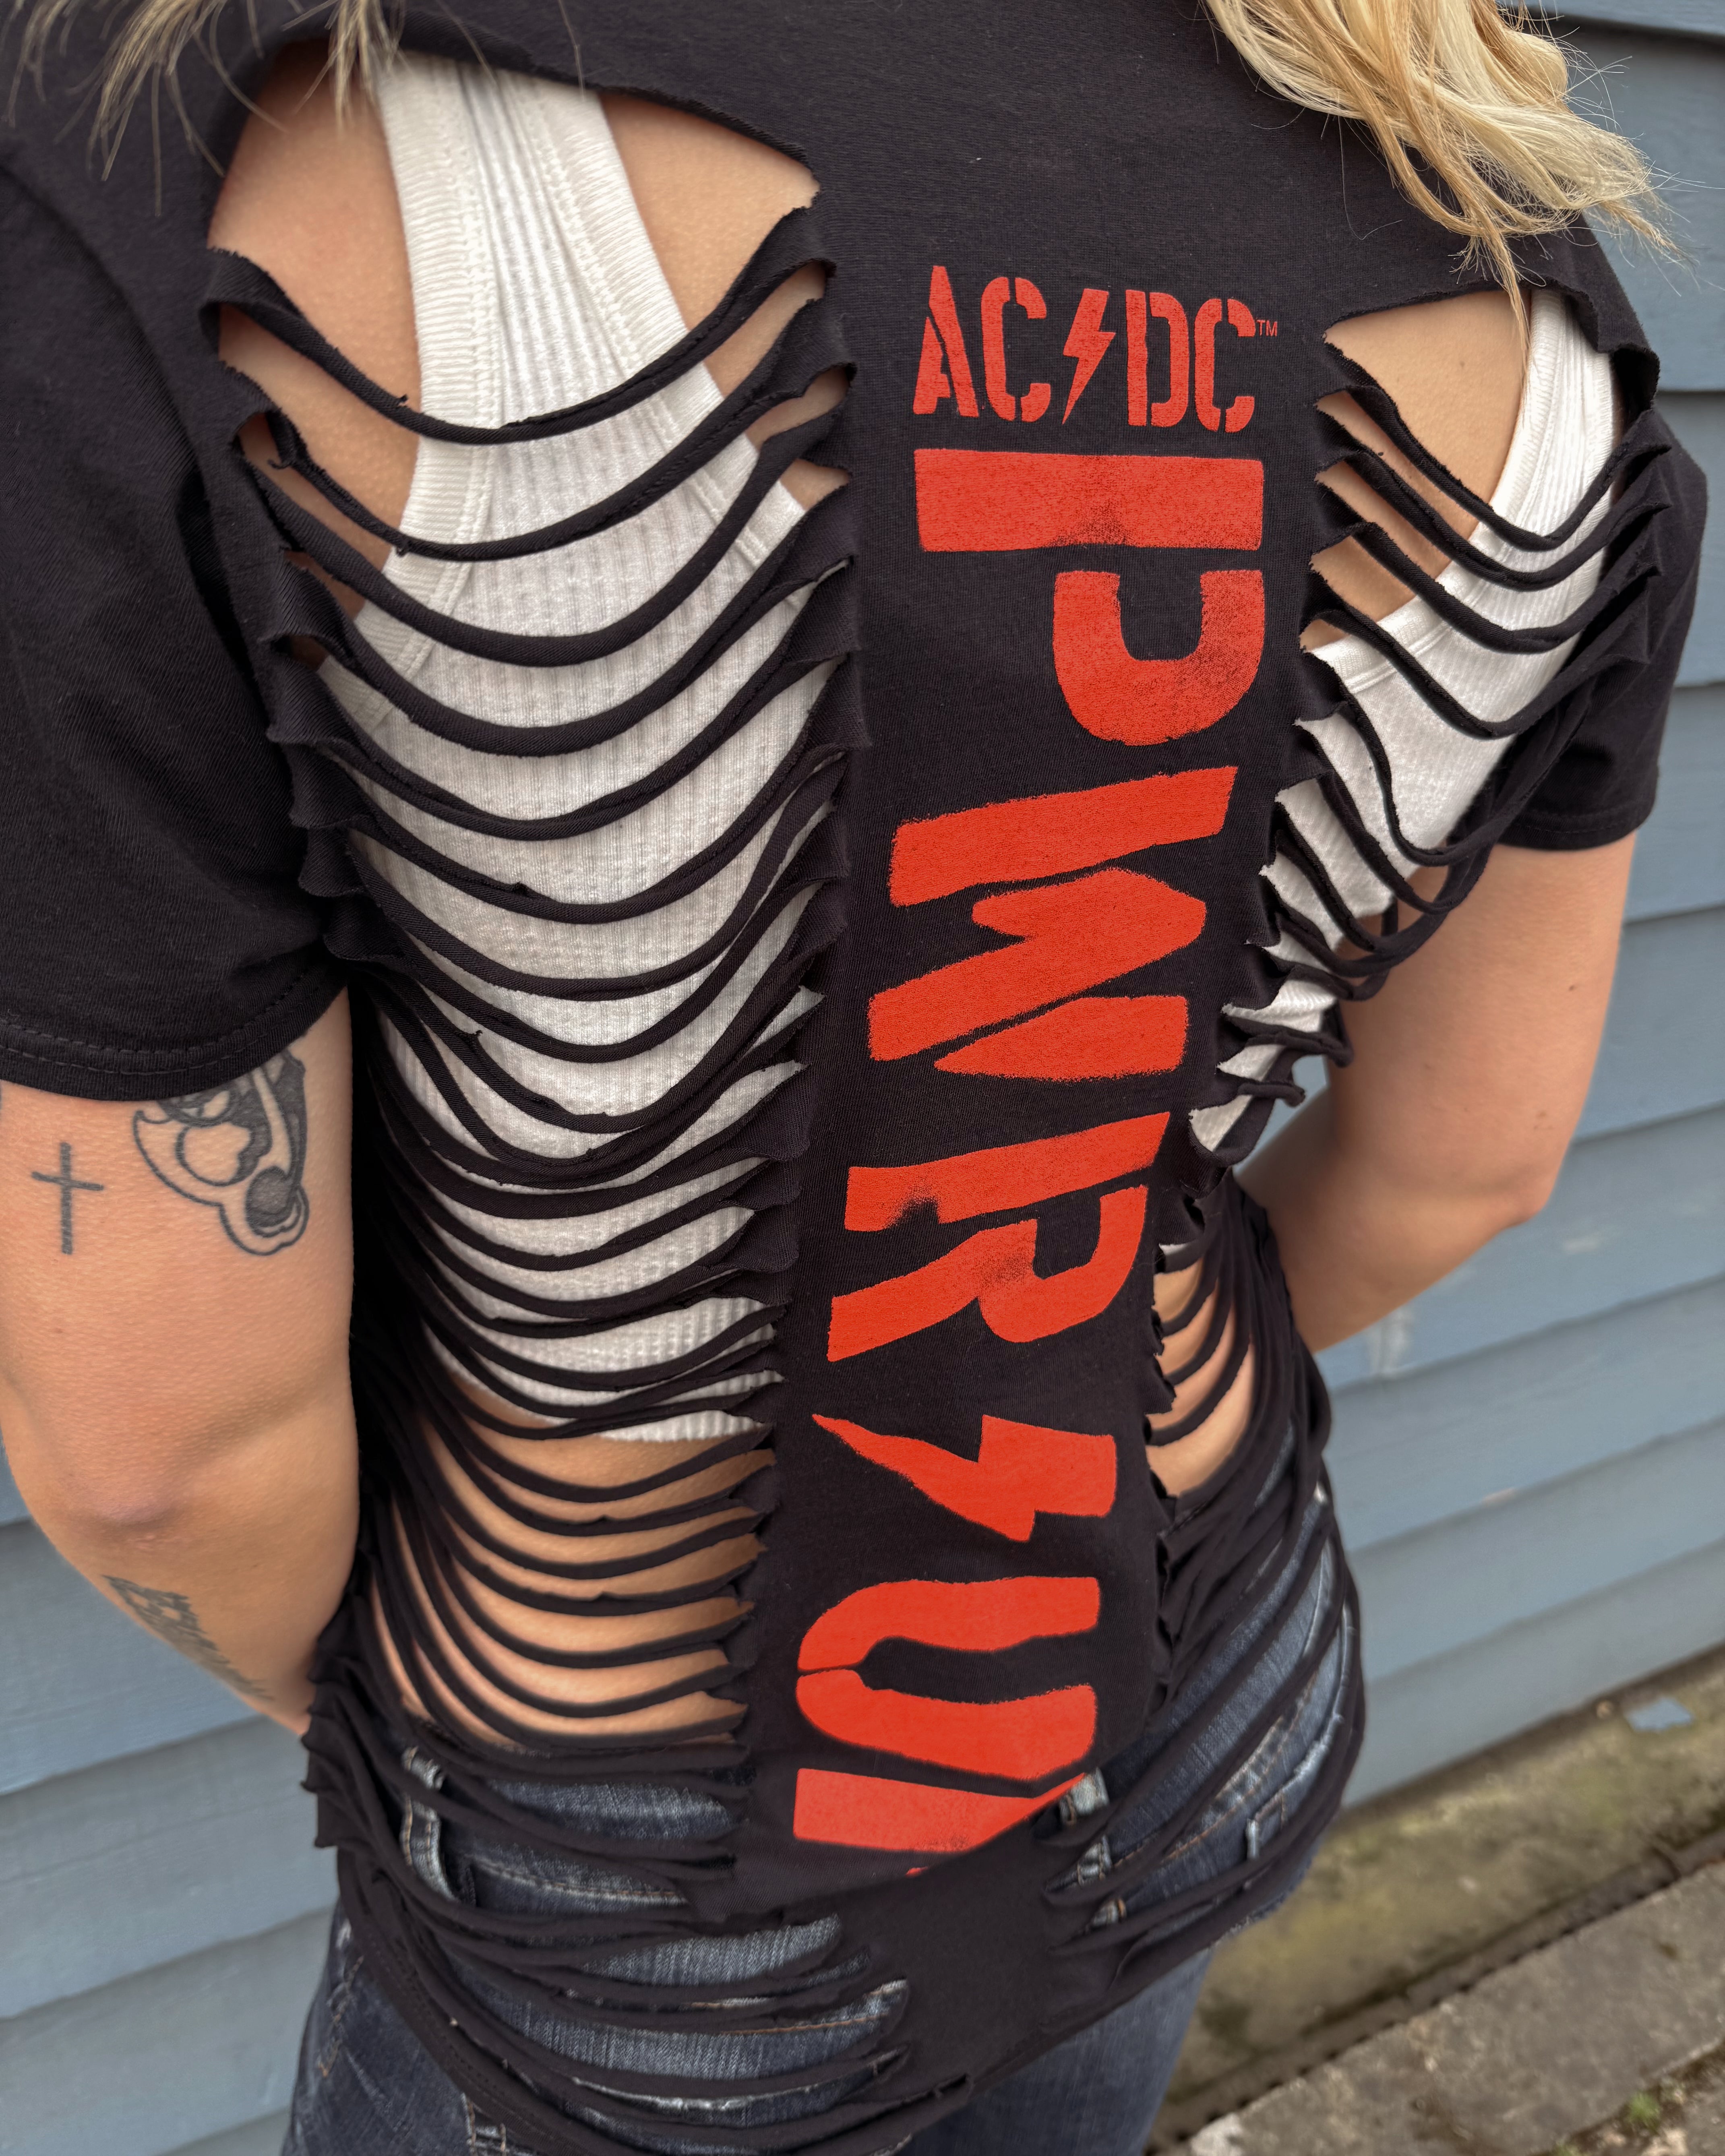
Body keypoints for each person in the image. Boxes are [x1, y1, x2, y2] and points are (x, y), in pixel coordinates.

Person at [0, 0, 1704, 2148]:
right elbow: (1463, 1165)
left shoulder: (191, 137)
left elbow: (165, 1462)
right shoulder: (1511, 246)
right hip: (1190, 1694)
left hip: (625, 1814)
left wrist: (376, 1691)